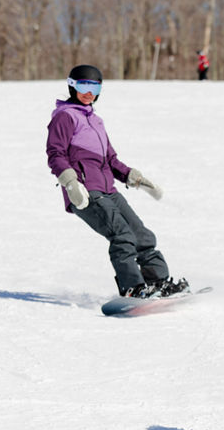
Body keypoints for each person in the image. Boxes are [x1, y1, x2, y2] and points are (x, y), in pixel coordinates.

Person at [46, 64, 189, 298]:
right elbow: (55, 154)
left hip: (109, 191)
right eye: (83, 85)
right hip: (85, 191)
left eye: (94, 86)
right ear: (72, 86)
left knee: (142, 236)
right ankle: (133, 288)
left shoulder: (96, 120)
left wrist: (136, 178)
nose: (88, 92)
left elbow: (110, 159)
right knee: (122, 236)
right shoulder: (65, 117)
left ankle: (159, 284)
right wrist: (71, 183)